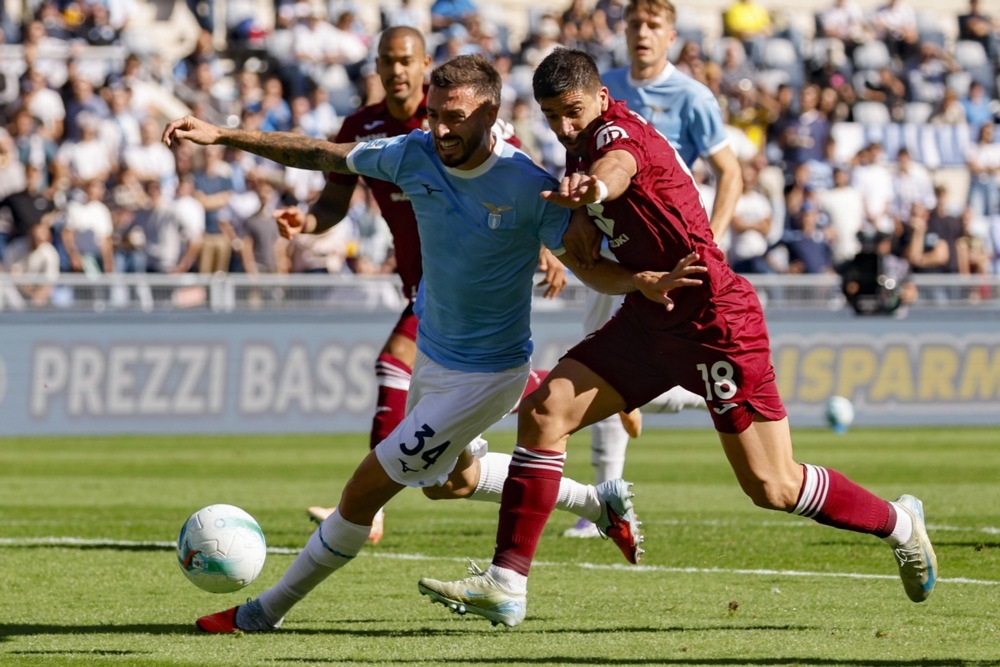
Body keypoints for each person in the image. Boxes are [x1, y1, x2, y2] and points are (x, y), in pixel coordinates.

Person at [416, 48, 938, 628]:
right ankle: (506, 582)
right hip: (649, 311)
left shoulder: (616, 134)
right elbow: (596, 179)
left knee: (773, 485)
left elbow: (617, 169)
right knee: (545, 411)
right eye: (551, 115)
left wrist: (590, 194)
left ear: (600, 98)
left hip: (714, 321)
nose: (564, 126)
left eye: (572, 111)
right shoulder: (581, 140)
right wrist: (584, 211)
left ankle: (898, 522)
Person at [163, 53, 658, 634]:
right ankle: (601, 503)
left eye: (455, 117)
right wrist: (223, 135)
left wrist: (636, 282)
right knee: (451, 484)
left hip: (488, 374)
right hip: (436, 356)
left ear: (490, 113)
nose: (442, 129)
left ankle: (262, 612)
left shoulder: (527, 185)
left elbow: (590, 264)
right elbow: (318, 153)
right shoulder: (411, 153)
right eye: (433, 115)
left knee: (365, 489)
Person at [283, 27, 566, 543]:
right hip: (420, 285)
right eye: (387, 61)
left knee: (393, 360)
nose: (396, 71)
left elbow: (523, 186)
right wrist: (305, 223)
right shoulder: (364, 126)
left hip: (458, 285)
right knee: (448, 478)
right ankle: (575, 395)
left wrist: (548, 248)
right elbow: (331, 205)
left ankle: (369, 510)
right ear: (376, 64)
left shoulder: (456, 121)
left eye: (406, 61)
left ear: (423, 64)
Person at [561, 0, 743, 540]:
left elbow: (729, 173)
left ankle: (662, 400)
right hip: (612, 249)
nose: (642, 33)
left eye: (652, 25)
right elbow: (578, 163)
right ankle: (603, 503)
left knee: (620, 364)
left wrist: (713, 242)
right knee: (596, 351)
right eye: (634, 23)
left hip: (668, 253)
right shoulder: (602, 87)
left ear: (671, 35)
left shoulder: (691, 96)